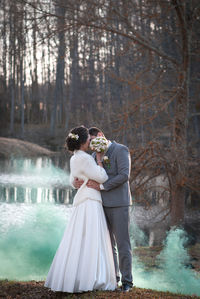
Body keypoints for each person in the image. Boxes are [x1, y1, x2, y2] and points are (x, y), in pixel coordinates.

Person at [44, 126, 116, 293]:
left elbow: (74, 177)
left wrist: (74, 182)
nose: (90, 142)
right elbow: (102, 176)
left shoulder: (75, 157)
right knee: (91, 239)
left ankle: (76, 276)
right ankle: (90, 278)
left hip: (82, 200)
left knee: (79, 239)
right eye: (89, 140)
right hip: (90, 200)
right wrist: (99, 160)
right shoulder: (85, 158)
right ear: (83, 142)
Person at [74, 127, 133, 292]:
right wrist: (76, 182)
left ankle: (127, 282)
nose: (92, 145)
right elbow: (87, 174)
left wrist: (101, 186)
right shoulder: (93, 156)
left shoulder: (120, 150)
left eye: (93, 140)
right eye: (90, 142)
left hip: (119, 204)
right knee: (107, 245)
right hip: (99, 205)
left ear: (100, 136)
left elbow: (124, 175)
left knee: (122, 243)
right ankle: (113, 278)